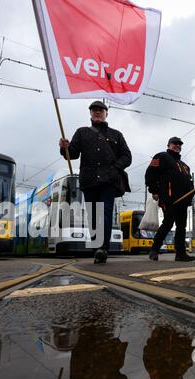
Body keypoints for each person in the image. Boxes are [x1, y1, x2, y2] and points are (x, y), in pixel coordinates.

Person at [59, 101, 132, 264]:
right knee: (93, 215)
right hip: (89, 181)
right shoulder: (82, 132)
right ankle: (96, 248)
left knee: (105, 212)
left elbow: (127, 156)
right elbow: (73, 154)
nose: (97, 113)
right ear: (90, 114)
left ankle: (102, 248)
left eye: (100, 110)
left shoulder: (116, 135)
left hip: (109, 181)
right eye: (94, 110)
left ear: (106, 113)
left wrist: (115, 169)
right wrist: (64, 147)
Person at [145, 136, 195, 262]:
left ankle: (180, 254)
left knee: (181, 227)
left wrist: (190, 197)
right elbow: (150, 173)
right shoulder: (161, 156)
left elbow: (189, 183)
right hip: (169, 199)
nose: (177, 145)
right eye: (174, 143)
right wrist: (154, 190)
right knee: (168, 223)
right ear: (168, 145)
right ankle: (154, 250)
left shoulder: (185, 166)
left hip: (183, 201)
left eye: (179, 144)